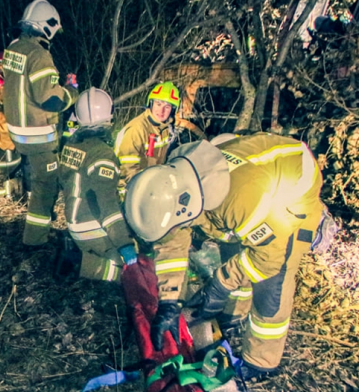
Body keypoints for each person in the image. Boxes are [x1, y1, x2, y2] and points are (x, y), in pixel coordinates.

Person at [123, 133, 331, 381]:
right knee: (232, 247)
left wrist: (220, 285)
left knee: (272, 284)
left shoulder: (240, 200)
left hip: (292, 185)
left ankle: (261, 362)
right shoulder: (175, 183)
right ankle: (234, 315)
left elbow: (269, 258)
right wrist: (170, 301)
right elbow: (172, 245)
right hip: (248, 184)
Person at [2, 0, 79, 246]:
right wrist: (71, 91)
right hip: (38, 135)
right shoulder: (39, 54)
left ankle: (40, 223)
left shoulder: (13, 49)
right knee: (47, 185)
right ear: (47, 26)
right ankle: (35, 239)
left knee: (37, 179)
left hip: (18, 132)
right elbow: (50, 99)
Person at [55, 88, 133, 282]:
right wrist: (124, 243)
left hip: (73, 220)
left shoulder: (71, 146)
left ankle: (79, 248)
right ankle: (78, 262)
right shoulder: (102, 153)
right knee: (123, 273)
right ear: (108, 118)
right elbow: (106, 204)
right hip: (90, 225)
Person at [113, 81, 179, 197]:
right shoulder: (137, 129)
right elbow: (128, 169)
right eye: (158, 104)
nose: (161, 111)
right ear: (151, 103)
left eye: (167, 107)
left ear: (172, 110)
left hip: (150, 187)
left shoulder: (164, 129)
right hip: (129, 191)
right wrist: (143, 190)